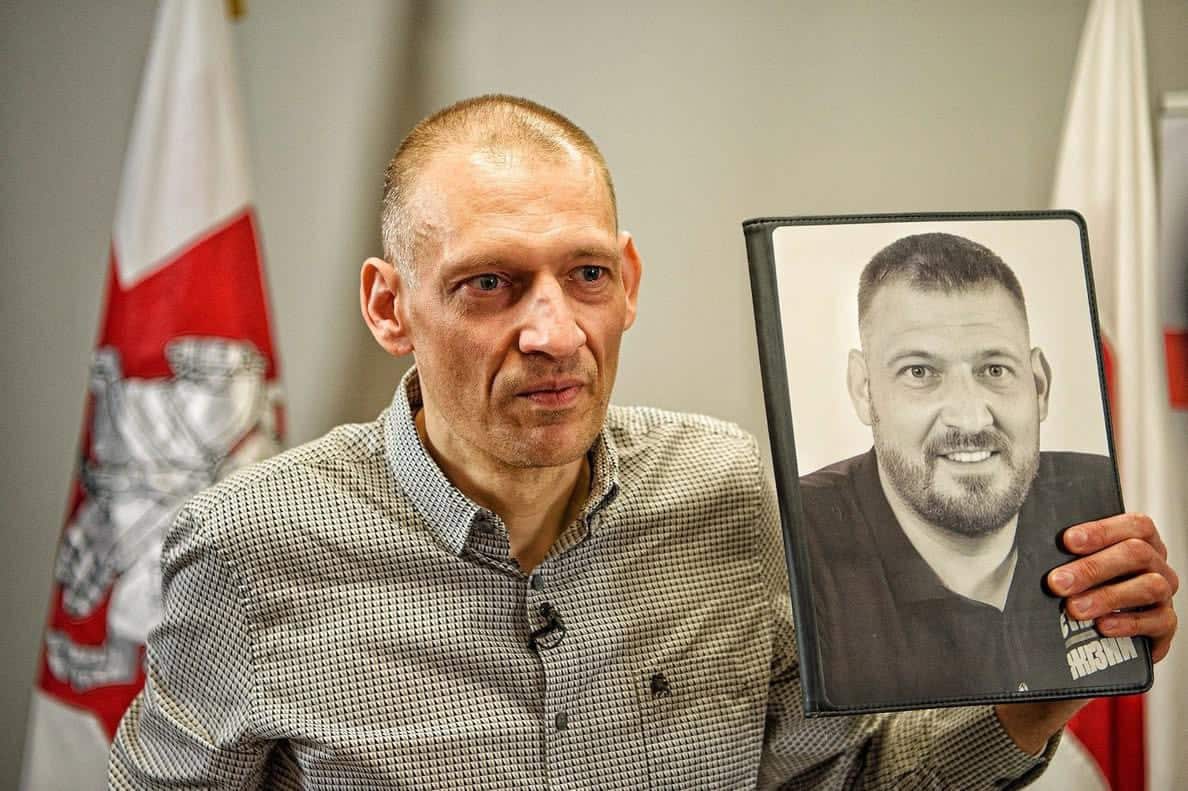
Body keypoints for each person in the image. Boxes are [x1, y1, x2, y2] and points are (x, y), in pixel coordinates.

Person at [108, 96, 1178, 789]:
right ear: (391, 306)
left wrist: (1042, 692)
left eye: (585, 275)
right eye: (489, 283)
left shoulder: (725, 486)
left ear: (628, 282)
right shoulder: (251, 548)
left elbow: (842, 776)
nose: (554, 332)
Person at [798, 232, 1155, 707]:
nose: (970, 418)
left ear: (1039, 385)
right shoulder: (797, 541)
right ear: (864, 389)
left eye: (994, 370)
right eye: (920, 372)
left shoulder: (1094, 498)